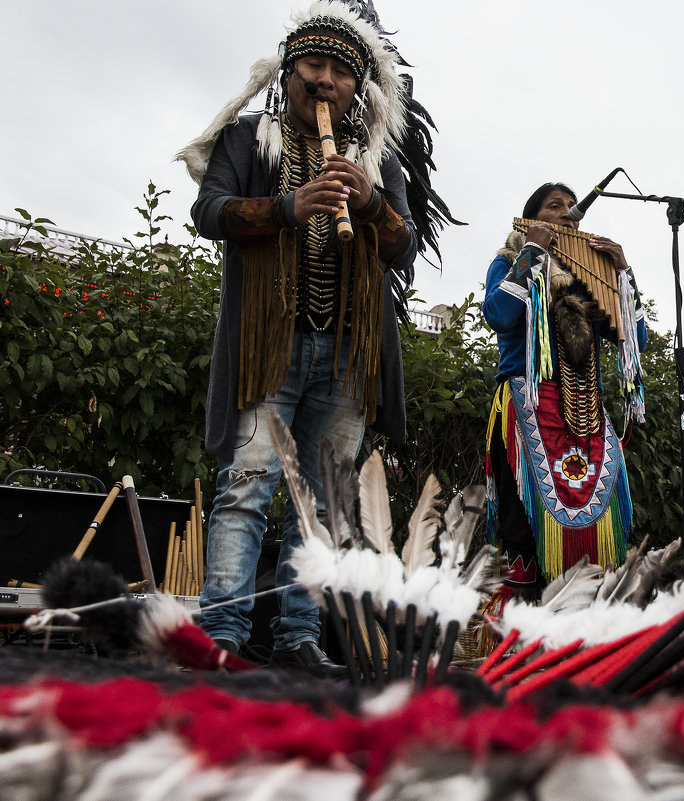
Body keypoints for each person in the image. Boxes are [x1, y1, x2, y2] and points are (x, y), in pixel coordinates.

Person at [176, 1, 422, 677]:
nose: (324, 81)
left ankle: (298, 635)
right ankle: (221, 633)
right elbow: (209, 211)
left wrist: (369, 203)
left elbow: (403, 247)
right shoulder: (247, 137)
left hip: (348, 351)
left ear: (357, 87)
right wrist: (288, 207)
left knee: (319, 501)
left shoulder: (377, 157)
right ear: (287, 71)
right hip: (269, 344)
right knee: (248, 485)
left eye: (341, 73)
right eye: (312, 65)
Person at [483, 183, 647, 600]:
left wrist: (624, 275)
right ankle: (521, 639)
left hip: (585, 407)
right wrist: (533, 255)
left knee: (596, 526)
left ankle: (581, 634)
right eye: (554, 206)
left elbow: (637, 339)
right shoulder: (508, 261)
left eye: (572, 207)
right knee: (521, 524)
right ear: (533, 217)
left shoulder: (588, 274)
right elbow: (500, 315)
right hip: (528, 403)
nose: (567, 213)